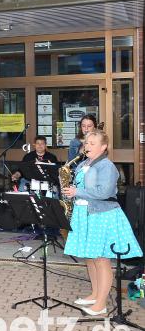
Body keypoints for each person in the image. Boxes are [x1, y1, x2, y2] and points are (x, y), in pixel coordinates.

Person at [62, 130, 142, 316]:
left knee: (101, 259)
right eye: (86, 143)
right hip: (86, 213)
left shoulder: (107, 166)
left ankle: (101, 304)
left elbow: (103, 193)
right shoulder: (83, 163)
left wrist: (76, 192)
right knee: (90, 257)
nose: (87, 146)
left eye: (92, 143)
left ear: (103, 147)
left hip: (101, 215)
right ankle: (95, 294)